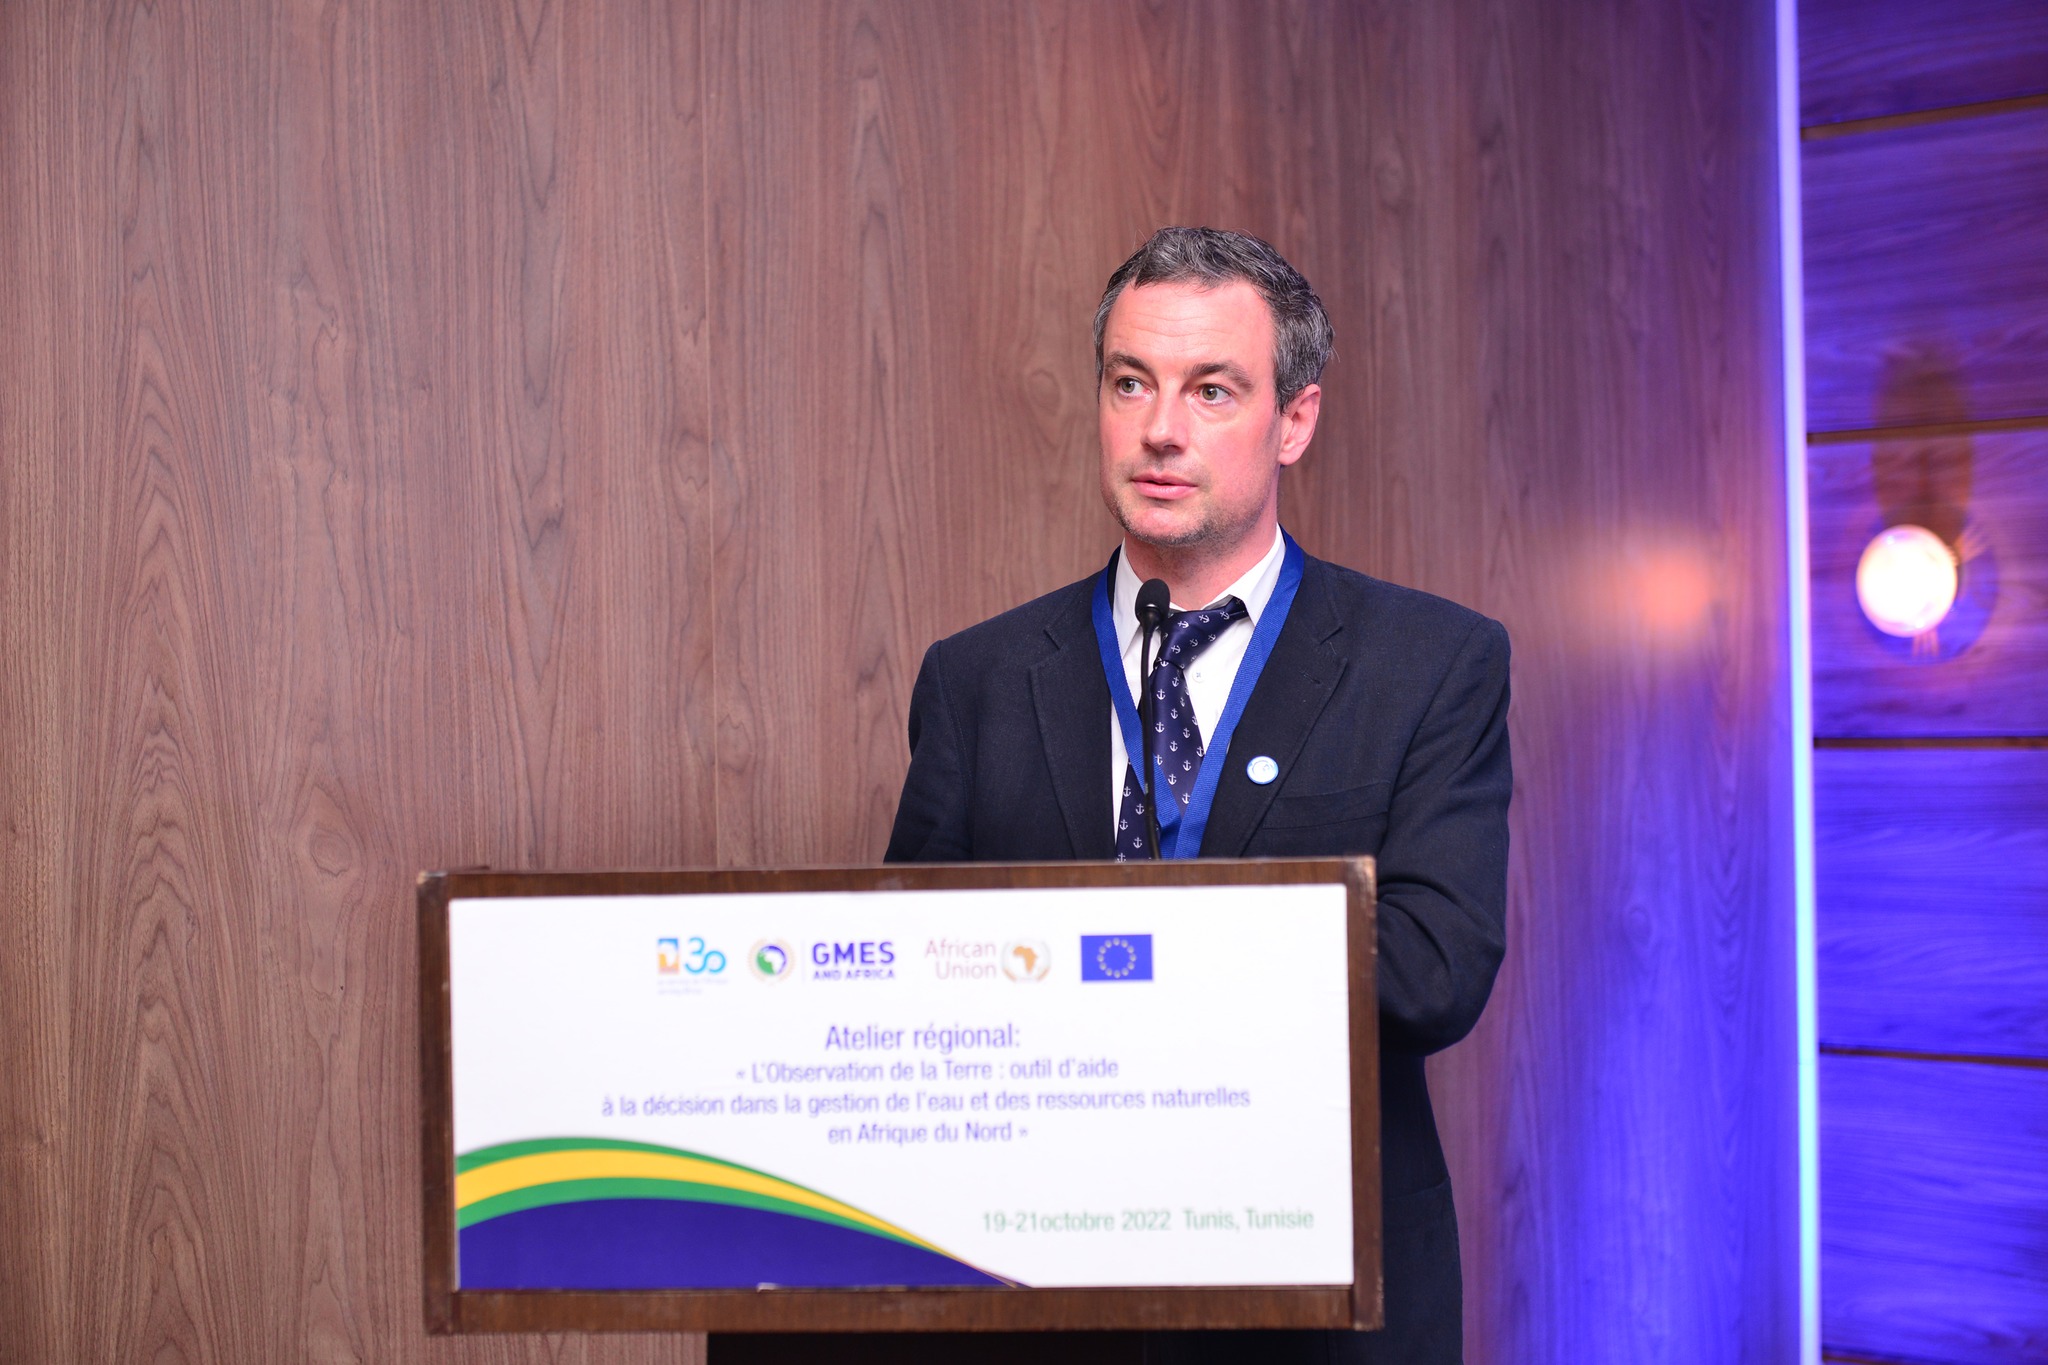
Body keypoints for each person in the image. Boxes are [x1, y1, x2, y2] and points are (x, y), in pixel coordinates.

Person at [885, 227, 1510, 1364]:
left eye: (1211, 390)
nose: (1160, 429)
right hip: (1041, 1295)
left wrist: (1143, 947)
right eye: (1131, 382)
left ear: (1294, 420)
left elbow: (1432, 973)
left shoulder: (1426, 664)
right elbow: (914, 984)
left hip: (1322, 1300)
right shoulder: (977, 680)